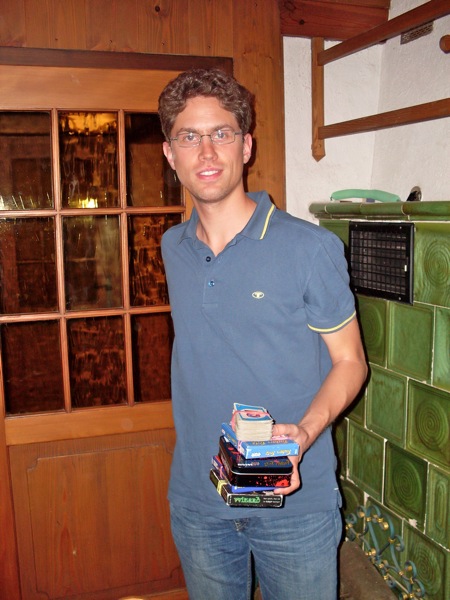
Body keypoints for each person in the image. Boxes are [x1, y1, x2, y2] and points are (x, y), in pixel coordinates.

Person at [158, 68, 368, 600]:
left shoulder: (309, 249)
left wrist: (303, 435)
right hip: (200, 500)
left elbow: (351, 362)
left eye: (221, 133)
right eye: (189, 136)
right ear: (170, 153)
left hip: (294, 507)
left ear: (246, 145)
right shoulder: (172, 247)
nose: (207, 151)